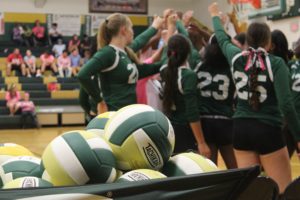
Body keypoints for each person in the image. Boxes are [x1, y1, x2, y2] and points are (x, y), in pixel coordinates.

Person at [209, 2, 300, 193]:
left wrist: (215, 16)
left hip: (241, 130)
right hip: (268, 130)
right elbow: (286, 105)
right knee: (282, 191)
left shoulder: (236, 56)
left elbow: (222, 39)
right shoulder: (276, 63)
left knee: (251, 192)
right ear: (269, 43)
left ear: (248, 41)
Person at [78, 13, 164, 112]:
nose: (133, 32)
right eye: (131, 28)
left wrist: (168, 61)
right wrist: (99, 101)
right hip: (113, 113)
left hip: (126, 112)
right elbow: (83, 75)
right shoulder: (108, 52)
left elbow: (139, 42)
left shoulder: (124, 52)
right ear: (124, 30)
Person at [161, 34, 210, 157]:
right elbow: (192, 112)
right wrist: (202, 142)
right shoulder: (188, 75)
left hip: (169, 128)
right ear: (188, 53)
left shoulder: (164, 71)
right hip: (186, 131)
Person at [196, 34, 237, 168]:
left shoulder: (199, 65)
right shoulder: (231, 68)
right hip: (225, 120)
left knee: (211, 169)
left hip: (204, 122)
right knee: (235, 168)